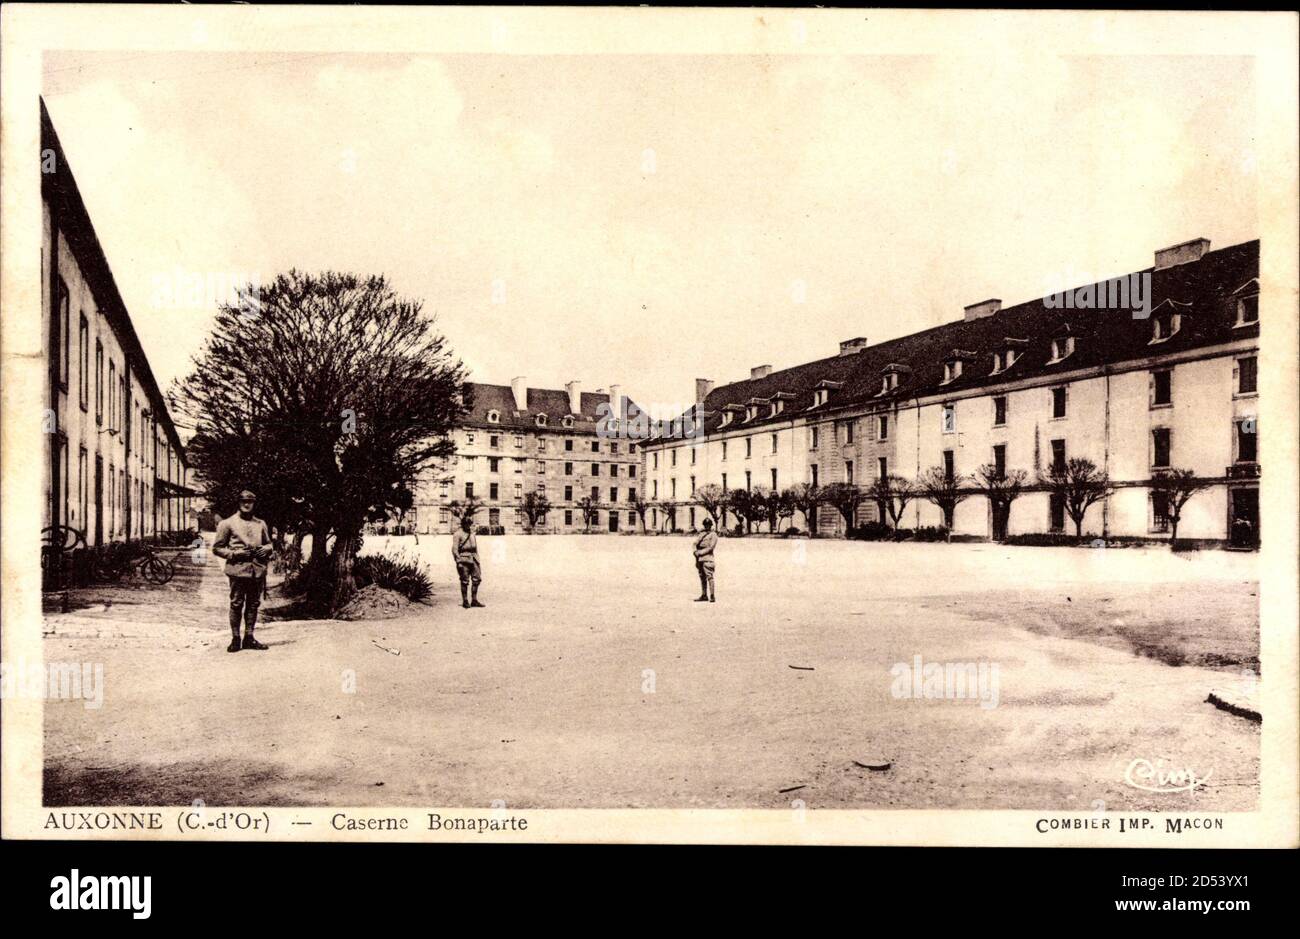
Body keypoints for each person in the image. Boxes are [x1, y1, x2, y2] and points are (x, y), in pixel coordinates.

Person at [212, 490, 273, 652]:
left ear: (254, 504)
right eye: (243, 501)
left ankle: (249, 637)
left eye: (250, 502)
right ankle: (235, 639)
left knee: (253, 604)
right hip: (238, 570)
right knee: (236, 603)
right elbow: (217, 548)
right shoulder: (227, 523)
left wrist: (266, 549)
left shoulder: (260, 524)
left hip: (257, 571)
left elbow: (269, 544)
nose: (247, 504)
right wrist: (233, 553)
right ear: (238, 503)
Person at [452, 514, 485, 609]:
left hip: (474, 559)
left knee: (477, 579)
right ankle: (465, 601)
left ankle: (474, 600)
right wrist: (458, 562)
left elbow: (476, 548)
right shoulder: (457, 534)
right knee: (464, 581)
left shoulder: (472, 534)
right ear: (463, 524)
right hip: (464, 560)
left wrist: (478, 560)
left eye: (470, 524)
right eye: (466, 524)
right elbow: (454, 549)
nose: (468, 526)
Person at [693, 517, 718, 602]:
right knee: (702, 577)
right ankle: (704, 595)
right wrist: (695, 551)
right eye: (705, 525)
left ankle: (712, 595)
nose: (707, 526)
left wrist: (700, 553)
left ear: (711, 526)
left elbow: (711, 547)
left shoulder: (713, 535)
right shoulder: (701, 534)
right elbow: (695, 543)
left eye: (708, 525)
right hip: (699, 559)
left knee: (709, 576)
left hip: (708, 558)